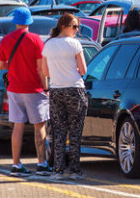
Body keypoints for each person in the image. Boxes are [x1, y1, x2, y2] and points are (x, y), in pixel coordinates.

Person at [0, 7, 50, 176]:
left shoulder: (5, 40)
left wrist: (12, 66)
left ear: (15, 22)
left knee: (17, 127)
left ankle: (16, 165)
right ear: (29, 23)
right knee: (39, 126)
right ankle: (41, 163)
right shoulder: (36, 40)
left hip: (14, 89)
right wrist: (46, 88)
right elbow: (42, 69)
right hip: (34, 88)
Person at [42, 13, 88, 181]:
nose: (77, 30)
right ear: (64, 27)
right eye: (74, 26)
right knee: (75, 131)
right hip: (75, 90)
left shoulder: (48, 44)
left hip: (56, 90)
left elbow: (45, 72)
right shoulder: (75, 44)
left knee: (59, 131)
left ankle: (58, 170)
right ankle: (75, 170)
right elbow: (83, 70)